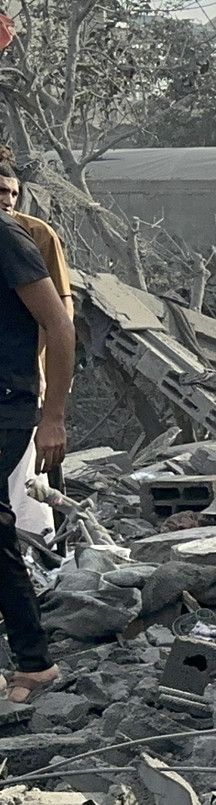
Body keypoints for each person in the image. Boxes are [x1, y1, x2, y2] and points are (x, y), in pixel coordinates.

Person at [0, 186, 71, 706]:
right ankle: (32, 661)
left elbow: (60, 324)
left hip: (6, 404)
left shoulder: (9, 238)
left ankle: (35, 661)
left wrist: (53, 416)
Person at [0, 159, 71, 547]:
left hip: (15, 387)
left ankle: (42, 545)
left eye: (13, 192)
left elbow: (59, 317)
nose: (8, 200)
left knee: (27, 488)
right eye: (1, 192)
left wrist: (42, 370)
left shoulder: (25, 235)